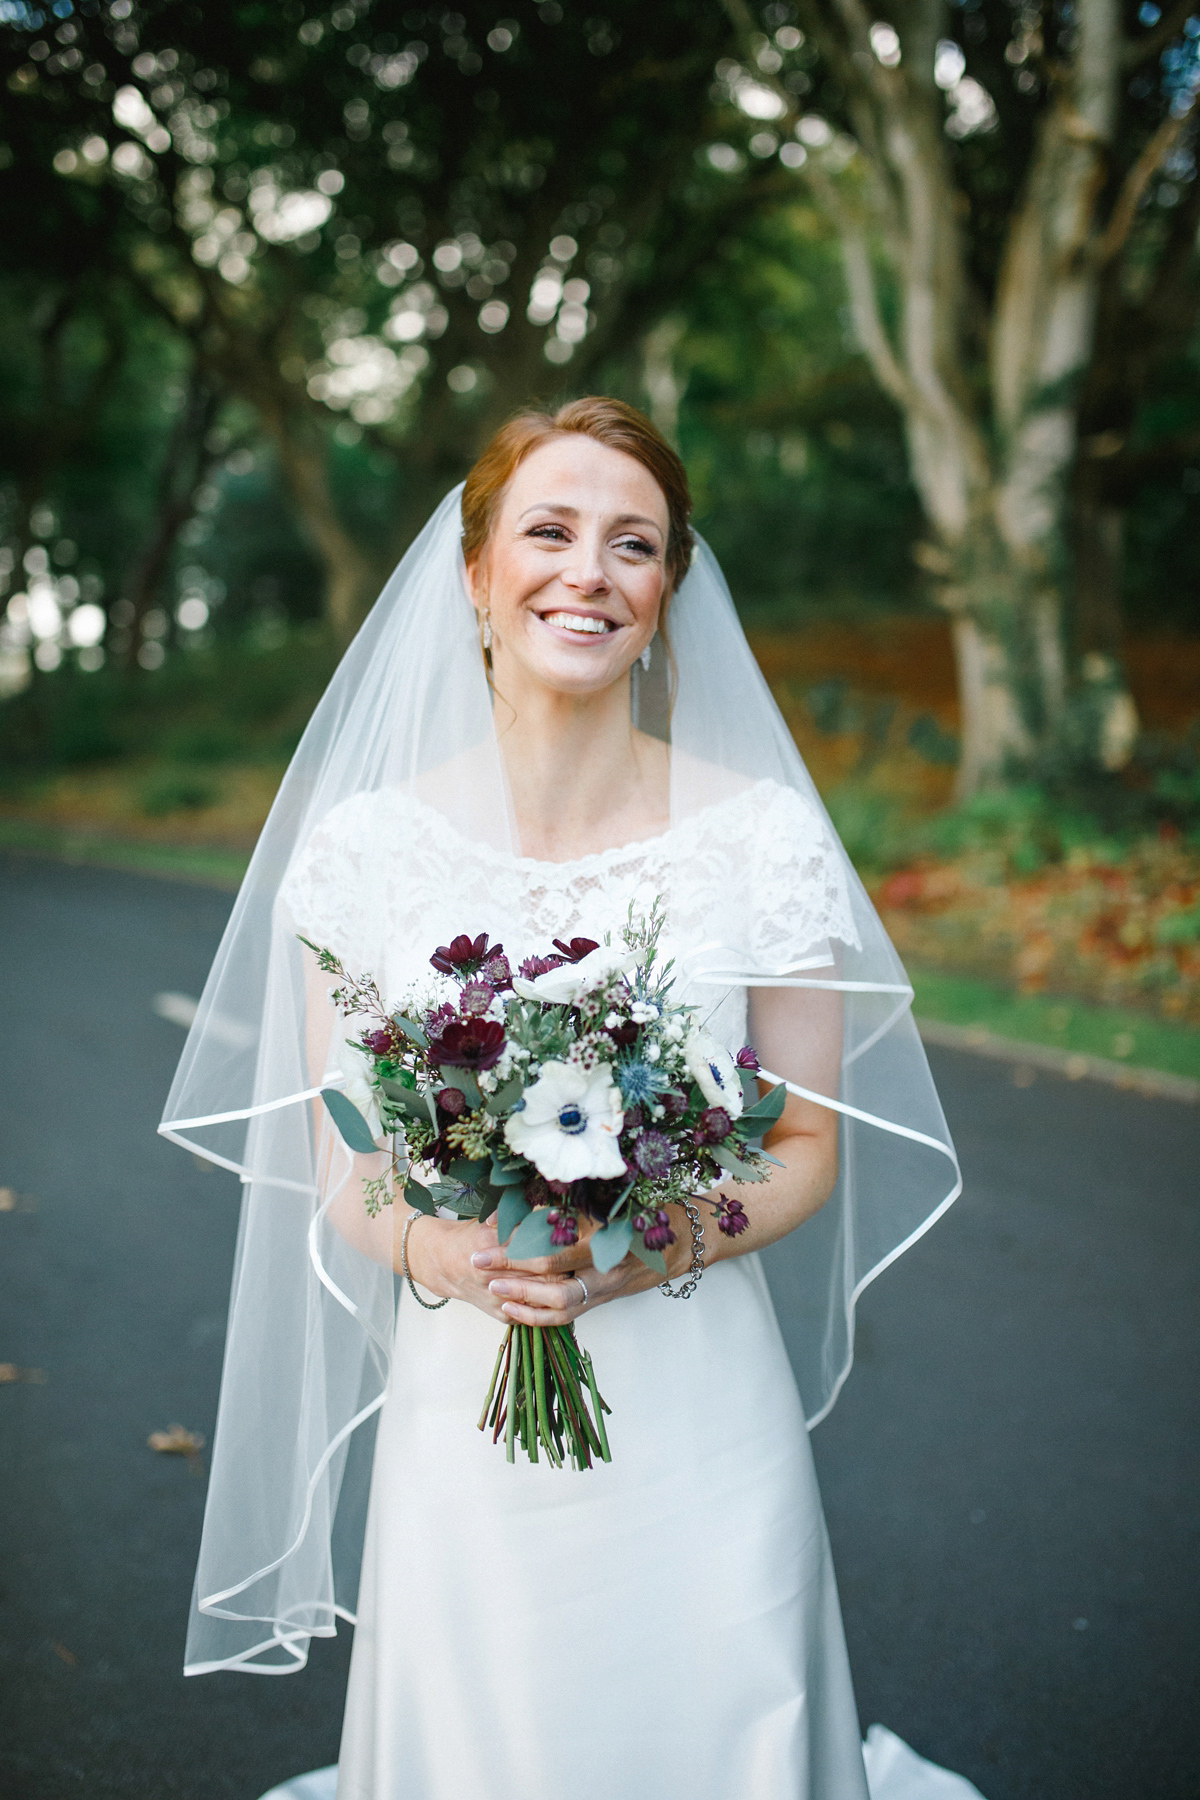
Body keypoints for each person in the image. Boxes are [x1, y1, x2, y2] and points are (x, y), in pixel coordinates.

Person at [161, 399, 971, 1800]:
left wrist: (642, 1247)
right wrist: (440, 1249)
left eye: (633, 544)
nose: (588, 571)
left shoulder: (759, 838)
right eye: (550, 530)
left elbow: (805, 1149)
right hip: (466, 1398)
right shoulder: (365, 853)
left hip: (700, 1399)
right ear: (477, 575)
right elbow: (348, 1168)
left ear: (665, 596)